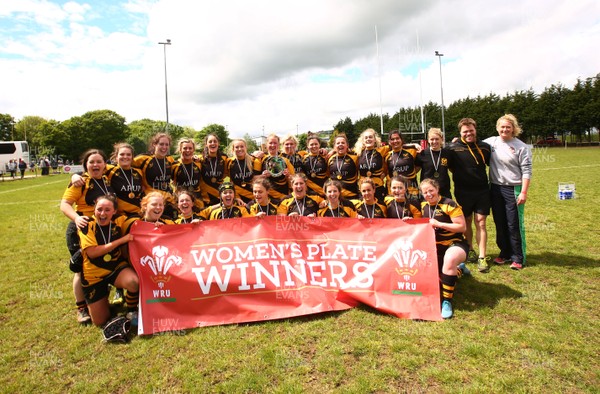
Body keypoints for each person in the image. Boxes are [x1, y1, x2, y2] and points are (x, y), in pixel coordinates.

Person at [60, 149, 115, 324]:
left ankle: (100, 299)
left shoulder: (107, 179)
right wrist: (76, 219)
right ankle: (81, 308)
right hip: (82, 230)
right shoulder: (80, 183)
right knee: (81, 269)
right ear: (86, 165)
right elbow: (65, 204)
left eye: (99, 161)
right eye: (91, 162)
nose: (96, 165)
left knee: (102, 264)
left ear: (105, 165)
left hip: (103, 230)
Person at [78, 194, 137, 327]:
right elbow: (92, 253)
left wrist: (155, 222)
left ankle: (132, 311)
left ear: (114, 211)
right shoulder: (87, 224)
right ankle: (102, 299)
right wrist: (121, 240)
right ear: (94, 210)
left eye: (107, 210)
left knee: (133, 282)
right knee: (100, 322)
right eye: (99, 209)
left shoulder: (120, 220)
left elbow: (140, 223)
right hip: (94, 275)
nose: (102, 213)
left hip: (115, 268)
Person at [484, 114, 532, 270]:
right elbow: (472, 144)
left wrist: (523, 192)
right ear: (497, 128)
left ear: (513, 129)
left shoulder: (521, 147)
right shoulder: (491, 142)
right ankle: (504, 253)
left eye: (508, 127)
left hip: (513, 188)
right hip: (495, 188)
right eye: (502, 127)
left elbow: (526, 171)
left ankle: (518, 257)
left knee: (513, 223)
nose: (504, 130)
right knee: (500, 222)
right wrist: (457, 141)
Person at [447, 118, 492, 273]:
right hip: (463, 191)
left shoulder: (485, 147)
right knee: (466, 221)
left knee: (481, 222)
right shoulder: (453, 148)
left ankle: (482, 256)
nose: (468, 133)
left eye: (471, 130)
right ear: (460, 133)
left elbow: (492, 164)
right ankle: (470, 249)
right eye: (465, 131)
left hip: (482, 191)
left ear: (475, 129)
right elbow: (450, 166)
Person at [420, 178, 469, 319]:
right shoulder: (423, 205)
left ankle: (447, 301)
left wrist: (440, 224)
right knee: (440, 275)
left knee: (450, 259)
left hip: (454, 244)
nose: (429, 194)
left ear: (437, 189)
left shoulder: (450, 204)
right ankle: (459, 269)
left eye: (431, 190)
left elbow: (462, 227)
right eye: (425, 192)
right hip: (433, 248)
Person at [132, 133, 177, 219]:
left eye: (166, 145)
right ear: (154, 144)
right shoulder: (143, 159)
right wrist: (139, 183)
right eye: (161, 144)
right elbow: (125, 165)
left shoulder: (170, 159)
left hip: (168, 200)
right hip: (151, 201)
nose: (164, 147)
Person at [104, 143, 144, 216]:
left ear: (132, 157)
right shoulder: (109, 170)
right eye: (122, 154)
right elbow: (91, 170)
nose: (125, 157)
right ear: (116, 157)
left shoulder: (139, 172)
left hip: (138, 213)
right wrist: (76, 176)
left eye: (128, 154)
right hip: (119, 215)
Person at [354, 128, 389, 202]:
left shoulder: (382, 150)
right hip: (363, 189)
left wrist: (414, 145)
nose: (368, 139)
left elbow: (397, 145)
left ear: (375, 139)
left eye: (370, 137)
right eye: (366, 138)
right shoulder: (358, 152)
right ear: (363, 141)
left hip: (378, 187)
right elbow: (343, 150)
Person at [415, 128, 452, 199]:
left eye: (437, 139)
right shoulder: (422, 154)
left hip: (444, 190)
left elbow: (452, 169)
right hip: (427, 191)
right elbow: (415, 171)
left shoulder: (448, 153)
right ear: (428, 140)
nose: (434, 141)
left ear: (442, 139)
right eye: (432, 139)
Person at [385, 130, 419, 202]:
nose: (395, 141)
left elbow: (418, 166)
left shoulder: (412, 151)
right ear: (389, 142)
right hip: (394, 191)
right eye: (392, 139)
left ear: (401, 140)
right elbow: (385, 171)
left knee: (414, 211)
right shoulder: (386, 155)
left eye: (397, 138)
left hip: (411, 189)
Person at [259, 134, 295, 201]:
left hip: (283, 197)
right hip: (266, 198)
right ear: (266, 145)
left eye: (275, 143)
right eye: (270, 143)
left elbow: (293, 180)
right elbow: (254, 179)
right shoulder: (260, 159)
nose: (273, 145)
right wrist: (262, 176)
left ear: (279, 145)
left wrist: (288, 175)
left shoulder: (286, 160)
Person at [172, 138, 203, 211]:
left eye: (190, 148)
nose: (188, 151)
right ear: (180, 149)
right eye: (185, 148)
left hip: (197, 200)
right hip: (181, 201)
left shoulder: (198, 163)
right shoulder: (174, 166)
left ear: (193, 150)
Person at [199, 133, 228, 206]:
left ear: (218, 143)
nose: (213, 143)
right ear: (206, 144)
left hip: (220, 196)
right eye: (210, 141)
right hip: (205, 198)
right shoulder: (200, 159)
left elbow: (226, 173)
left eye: (215, 141)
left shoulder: (224, 158)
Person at [228, 139, 260, 204]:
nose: (240, 149)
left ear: (246, 148)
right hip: (237, 198)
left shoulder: (253, 160)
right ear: (233, 149)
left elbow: (257, 178)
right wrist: (235, 197)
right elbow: (228, 181)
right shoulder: (229, 162)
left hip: (253, 197)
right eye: (237, 147)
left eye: (242, 146)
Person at [328, 133, 359, 199]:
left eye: (343, 143)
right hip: (335, 197)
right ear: (334, 146)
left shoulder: (355, 158)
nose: (340, 144)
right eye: (338, 143)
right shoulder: (330, 159)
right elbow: (328, 175)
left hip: (351, 196)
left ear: (347, 145)